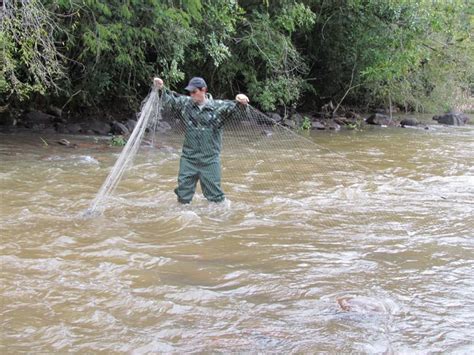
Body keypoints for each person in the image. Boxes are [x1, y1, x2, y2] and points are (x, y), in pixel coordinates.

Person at [153, 76, 249, 204]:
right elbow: (169, 101)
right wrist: (160, 88)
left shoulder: (218, 107)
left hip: (209, 160)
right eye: (190, 92)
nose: (191, 95)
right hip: (189, 159)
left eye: (194, 92)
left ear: (203, 90)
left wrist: (243, 103)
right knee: (183, 195)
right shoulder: (186, 103)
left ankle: (217, 221)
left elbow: (239, 113)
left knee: (215, 198)